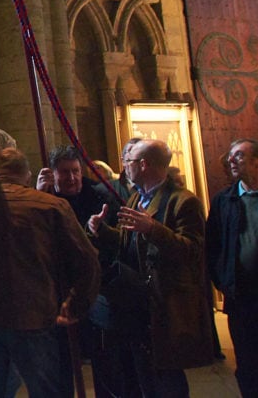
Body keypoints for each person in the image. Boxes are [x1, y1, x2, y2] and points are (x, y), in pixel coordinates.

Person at [0, 147, 100, 397]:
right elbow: (87, 260)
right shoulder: (52, 206)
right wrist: (76, 304)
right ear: (27, 175)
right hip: (35, 315)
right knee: (46, 391)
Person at [88, 139, 213, 396]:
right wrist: (102, 231)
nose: (125, 168)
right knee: (141, 373)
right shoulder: (137, 198)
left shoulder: (183, 202)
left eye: (129, 162)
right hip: (135, 302)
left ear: (143, 165)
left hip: (164, 302)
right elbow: (128, 243)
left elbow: (192, 251)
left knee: (166, 378)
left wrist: (153, 229)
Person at [35, 145, 121, 396]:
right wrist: (39, 195)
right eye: (64, 172)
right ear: (52, 174)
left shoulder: (99, 196)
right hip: (58, 291)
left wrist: (98, 232)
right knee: (62, 363)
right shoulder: (45, 199)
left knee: (104, 358)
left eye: (75, 171)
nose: (72, 178)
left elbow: (114, 240)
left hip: (96, 287)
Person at [206, 138, 258, 397]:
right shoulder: (224, 200)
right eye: (231, 156)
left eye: (239, 155)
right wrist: (223, 280)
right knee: (248, 366)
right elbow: (213, 245)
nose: (231, 160)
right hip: (241, 296)